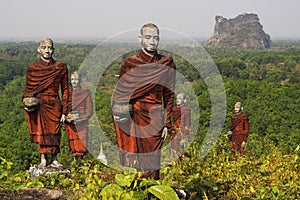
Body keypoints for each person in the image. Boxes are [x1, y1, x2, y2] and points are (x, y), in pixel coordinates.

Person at [112, 23, 176, 180]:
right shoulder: (130, 63)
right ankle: (138, 191)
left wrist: (167, 123)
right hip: (134, 116)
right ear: (140, 39)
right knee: (135, 157)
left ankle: (152, 191)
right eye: (148, 37)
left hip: (155, 116)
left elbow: (169, 95)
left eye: (156, 38)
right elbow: (120, 95)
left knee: (153, 158)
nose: (152, 41)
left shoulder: (166, 63)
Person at [22, 38, 69, 168]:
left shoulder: (60, 67)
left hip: (54, 103)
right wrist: (27, 103)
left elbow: (65, 89)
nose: (47, 50)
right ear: (39, 49)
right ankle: (43, 158)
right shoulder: (33, 68)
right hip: (40, 103)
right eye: (44, 47)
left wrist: (65, 110)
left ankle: (54, 158)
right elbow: (28, 90)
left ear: (53, 49)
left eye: (50, 47)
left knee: (55, 131)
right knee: (42, 131)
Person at [65, 71, 93, 160]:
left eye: (76, 79)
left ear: (80, 80)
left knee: (82, 141)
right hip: (70, 121)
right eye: (72, 79)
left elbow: (90, 110)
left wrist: (81, 118)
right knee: (72, 142)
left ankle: (83, 161)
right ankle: (74, 161)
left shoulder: (85, 93)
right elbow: (64, 106)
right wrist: (65, 116)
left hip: (82, 122)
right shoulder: (67, 92)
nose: (74, 81)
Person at [170, 93, 191, 160]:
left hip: (181, 132)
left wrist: (185, 136)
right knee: (172, 148)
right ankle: (173, 162)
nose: (177, 100)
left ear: (184, 101)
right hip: (173, 132)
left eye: (179, 98)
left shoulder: (186, 111)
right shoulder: (173, 110)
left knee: (180, 149)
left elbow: (187, 125)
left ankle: (179, 164)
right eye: (177, 98)